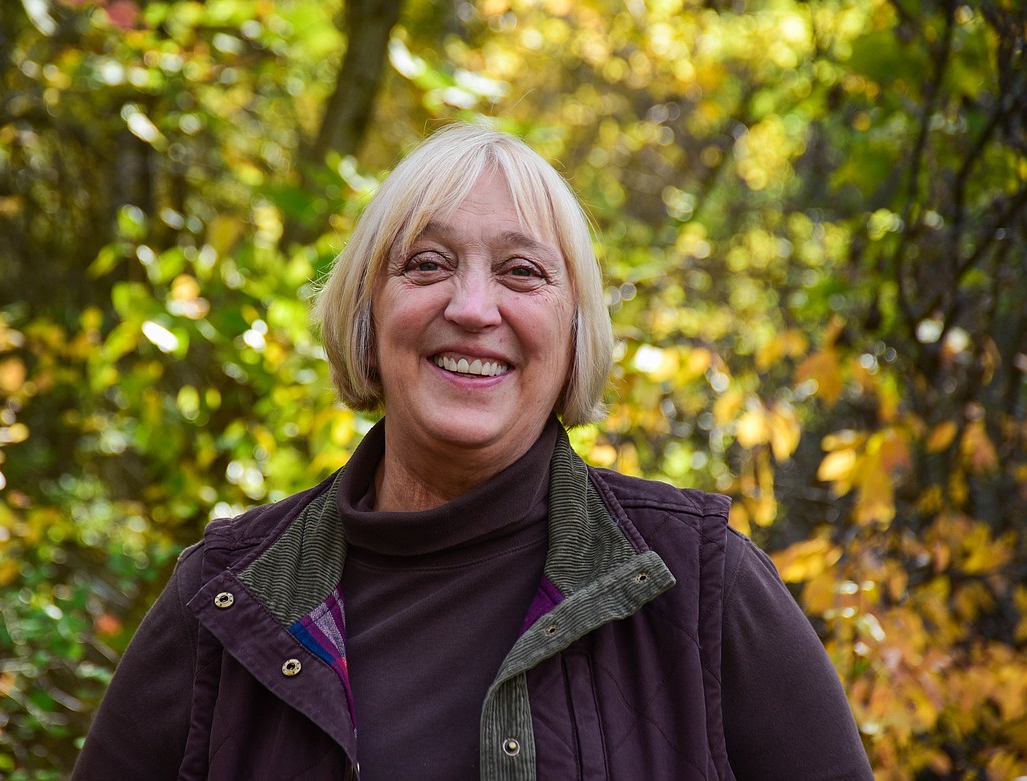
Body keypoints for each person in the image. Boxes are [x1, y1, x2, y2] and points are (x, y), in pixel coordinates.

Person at [72, 123, 873, 780]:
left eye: (522, 273)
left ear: (572, 334)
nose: (473, 306)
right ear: (367, 316)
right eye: (427, 264)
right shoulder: (225, 600)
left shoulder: (701, 586)